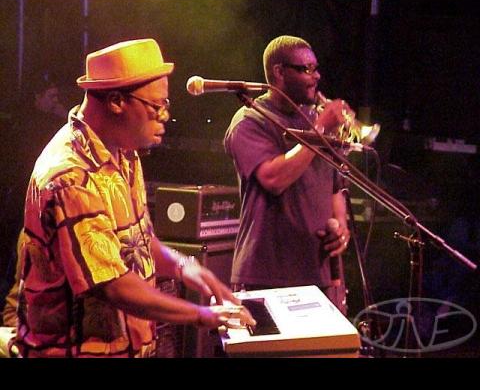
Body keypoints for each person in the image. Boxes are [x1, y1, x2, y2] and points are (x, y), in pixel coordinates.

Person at [14, 38, 254, 358]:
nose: (165, 116)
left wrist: (185, 266)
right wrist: (203, 315)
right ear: (116, 101)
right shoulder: (70, 177)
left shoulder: (124, 153)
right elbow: (113, 285)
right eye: (156, 106)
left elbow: (138, 242)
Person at [224, 35, 353, 313]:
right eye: (306, 69)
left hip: (320, 272)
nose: (316, 76)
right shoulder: (250, 120)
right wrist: (320, 129)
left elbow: (335, 187)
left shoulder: (313, 119)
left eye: (316, 68)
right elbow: (274, 179)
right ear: (279, 72)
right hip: (268, 274)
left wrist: (341, 225)